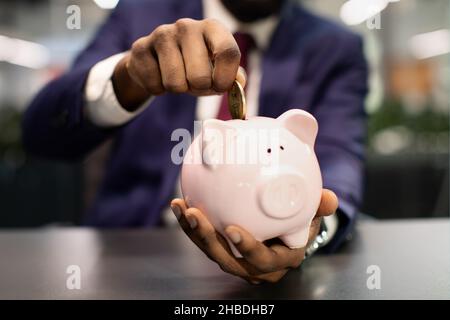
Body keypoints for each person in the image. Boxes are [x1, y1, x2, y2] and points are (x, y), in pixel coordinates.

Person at [22, 0, 368, 283]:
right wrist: (130, 77)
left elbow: (339, 157)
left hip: (268, 251)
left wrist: (311, 233)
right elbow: (41, 132)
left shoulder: (335, 48)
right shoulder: (141, 14)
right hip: (130, 251)